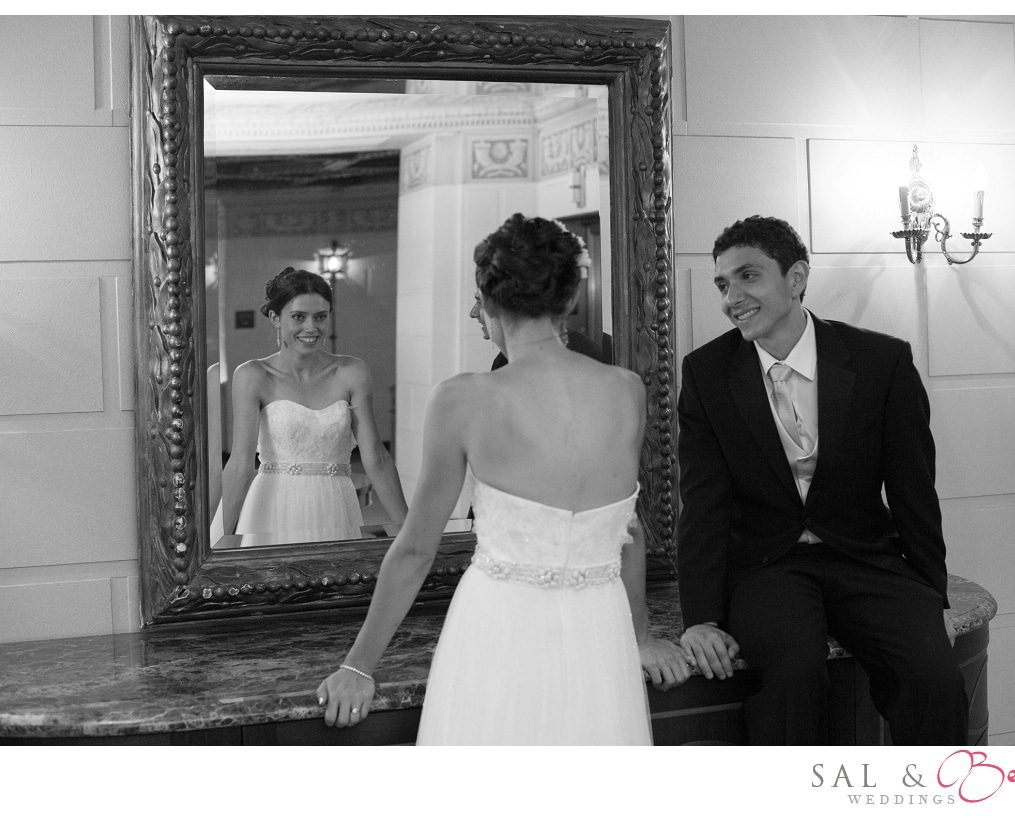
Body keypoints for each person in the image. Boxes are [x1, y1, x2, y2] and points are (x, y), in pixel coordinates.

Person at [317, 213, 690, 744]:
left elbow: (416, 550)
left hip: (501, 627)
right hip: (601, 629)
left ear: (490, 302)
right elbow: (628, 531)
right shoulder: (626, 388)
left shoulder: (463, 398)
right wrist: (640, 636)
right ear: (569, 299)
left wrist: (358, 665)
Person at [676, 215, 967, 745]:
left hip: (866, 556)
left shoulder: (882, 361)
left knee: (934, 678)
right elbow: (702, 504)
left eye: (748, 276)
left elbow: (914, 490)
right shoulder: (706, 373)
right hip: (767, 566)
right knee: (793, 676)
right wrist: (701, 618)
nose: (731, 298)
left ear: (796, 278)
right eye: (722, 284)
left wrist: (933, 595)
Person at [219, 267, 408, 544]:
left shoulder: (352, 372)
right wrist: (218, 540)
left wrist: (409, 534)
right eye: (298, 317)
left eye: (320, 316)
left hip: (335, 505)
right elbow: (239, 465)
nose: (311, 327)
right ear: (275, 318)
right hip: (272, 507)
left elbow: (376, 458)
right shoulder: (252, 375)